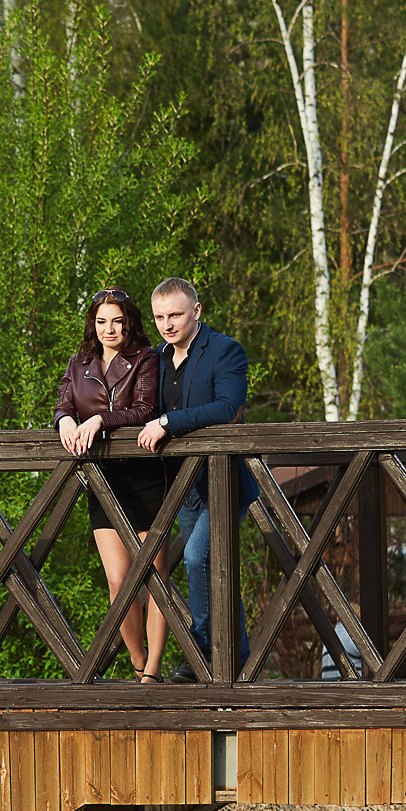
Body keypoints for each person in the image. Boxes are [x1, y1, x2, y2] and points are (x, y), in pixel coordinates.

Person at [135, 277, 251, 665]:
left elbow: (227, 408)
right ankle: (236, 653)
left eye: (175, 315)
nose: (167, 324)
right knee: (209, 565)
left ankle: (202, 653)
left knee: (198, 557)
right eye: (159, 317)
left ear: (197, 311)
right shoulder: (156, 359)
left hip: (223, 479)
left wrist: (169, 421)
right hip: (181, 484)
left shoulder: (225, 351)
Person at [54, 288, 168, 680]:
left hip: (145, 476)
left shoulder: (146, 359)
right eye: (102, 321)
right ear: (93, 324)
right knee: (118, 582)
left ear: (130, 322)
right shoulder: (78, 362)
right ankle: (138, 663)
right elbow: (64, 404)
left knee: (153, 577)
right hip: (103, 481)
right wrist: (65, 422)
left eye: (117, 321)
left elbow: (145, 409)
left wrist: (101, 419)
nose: (109, 329)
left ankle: (153, 670)